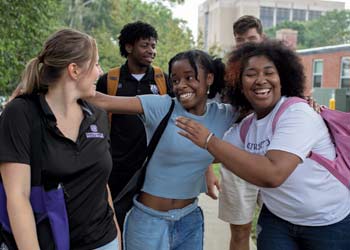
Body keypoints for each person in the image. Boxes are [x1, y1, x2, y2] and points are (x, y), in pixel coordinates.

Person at [175, 40, 350, 250]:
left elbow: (272, 174)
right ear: (239, 83)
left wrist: (209, 140)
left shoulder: (297, 114)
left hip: (328, 223)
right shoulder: (247, 127)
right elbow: (209, 154)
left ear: (282, 78)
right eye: (250, 74)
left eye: (269, 73)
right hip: (278, 219)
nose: (260, 80)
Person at [89, 49, 238, 250]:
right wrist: (61, 81)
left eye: (189, 77)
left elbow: (257, 106)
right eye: (175, 80)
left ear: (209, 78)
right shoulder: (162, 105)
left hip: (189, 220)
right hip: (148, 222)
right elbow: (104, 101)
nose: (181, 85)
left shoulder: (225, 115)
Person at [0, 28, 121, 250]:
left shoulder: (98, 115)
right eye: (95, 64)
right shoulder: (21, 114)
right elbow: (18, 197)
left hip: (104, 241)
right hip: (48, 243)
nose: (100, 72)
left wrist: (117, 238)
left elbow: (101, 183)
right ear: (74, 70)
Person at [96, 21, 173, 202]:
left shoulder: (163, 79)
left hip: (153, 164)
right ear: (129, 47)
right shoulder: (109, 80)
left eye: (153, 46)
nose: (151, 51)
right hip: (117, 165)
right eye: (144, 45)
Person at [218, 15, 265, 250]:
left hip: (272, 157)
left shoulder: (278, 67)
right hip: (236, 158)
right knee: (240, 231)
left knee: (276, 227)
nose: (246, 43)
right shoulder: (228, 73)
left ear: (262, 37)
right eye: (240, 40)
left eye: (251, 38)